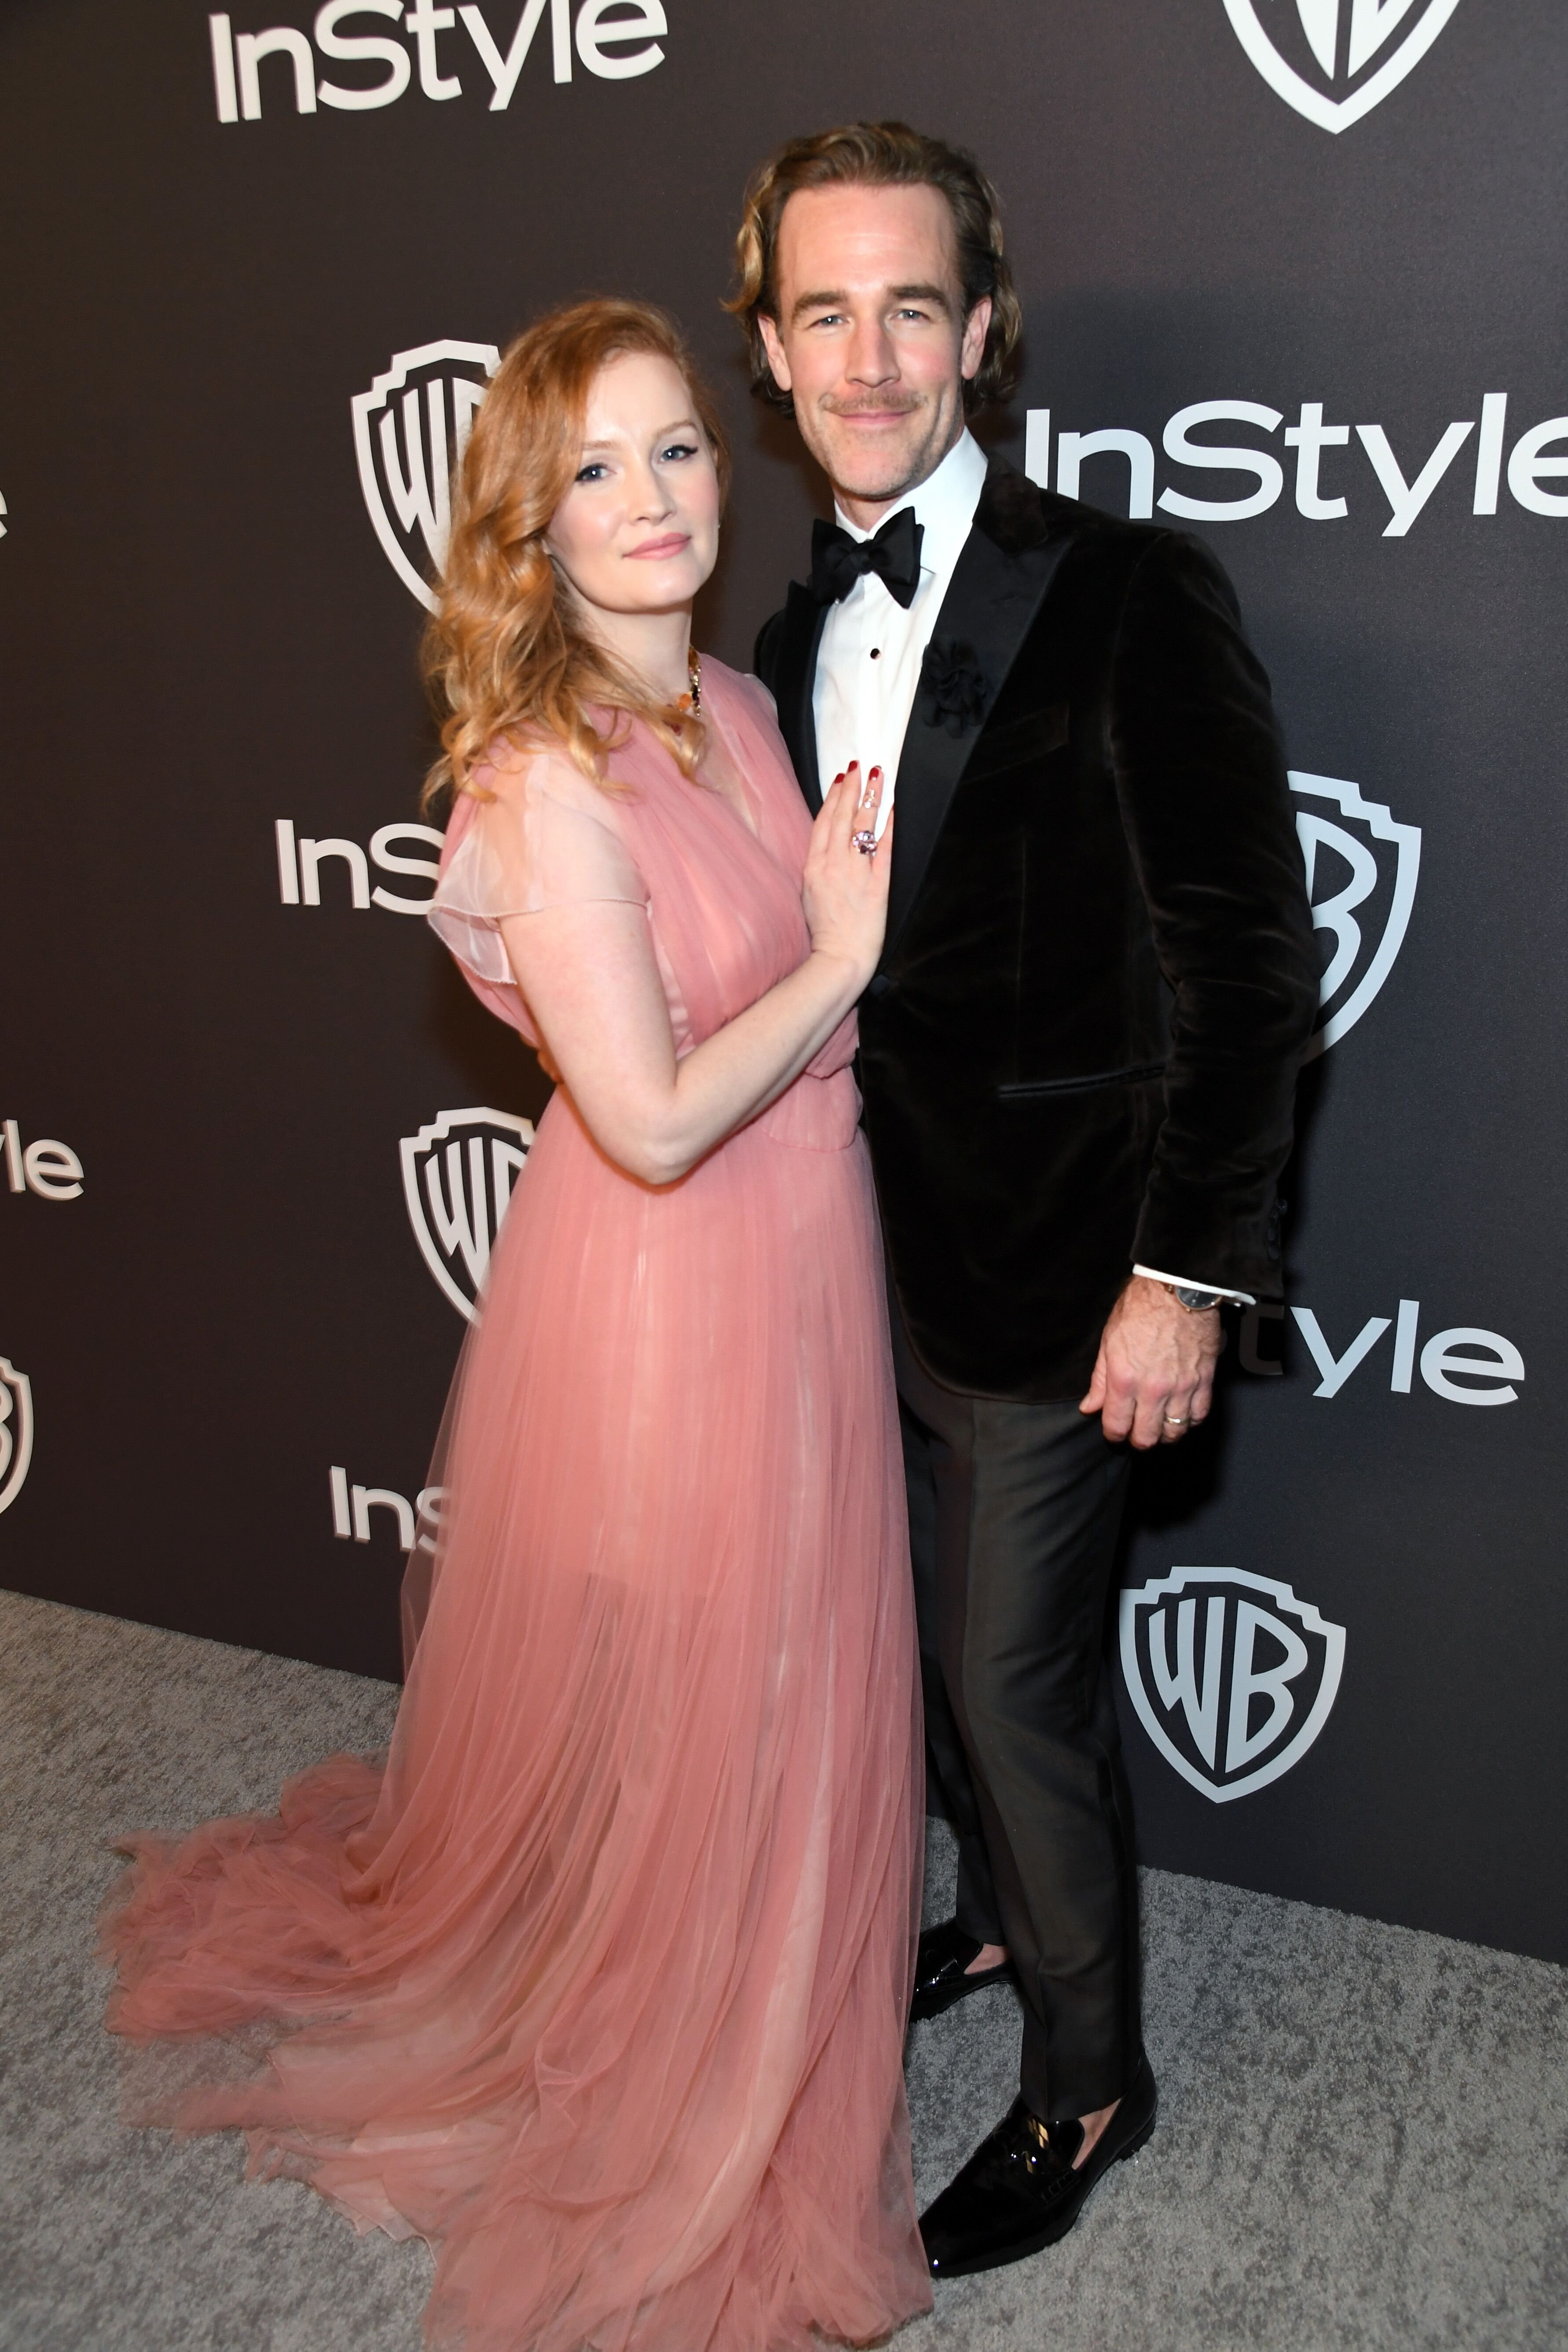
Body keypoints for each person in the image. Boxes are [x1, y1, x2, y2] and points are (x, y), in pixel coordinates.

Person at [100, 299, 934, 2352]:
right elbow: (647, 1116)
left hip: (807, 1232)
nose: (649, 500)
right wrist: (841, 958)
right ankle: (679, 2077)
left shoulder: (741, 706)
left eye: (673, 451)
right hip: (672, 1277)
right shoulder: (543, 781)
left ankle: (764, 1995)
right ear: (528, 526)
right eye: (593, 469)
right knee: (702, 1683)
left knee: (792, 1659)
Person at [736, 122, 1320, 2277]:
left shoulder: (1129, 587)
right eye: (826, 311)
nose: (872, 354)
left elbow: (1253, 962)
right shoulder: (789, 630)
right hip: (850, 1260)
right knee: (918, 1647)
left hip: (1074, 1272)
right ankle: (993, 1927)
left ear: (983, 337)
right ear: (773, 351)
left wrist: (1185, 1275)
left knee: (1009, 1685)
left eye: (915, 306)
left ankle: (1092, 2080)